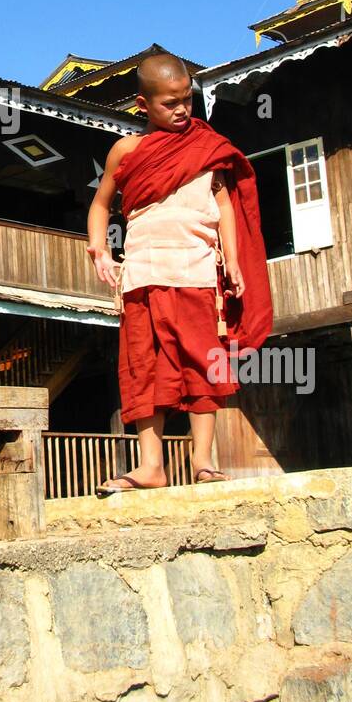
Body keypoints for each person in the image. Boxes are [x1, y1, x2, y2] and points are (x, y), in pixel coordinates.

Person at [86, 54, 272, 491]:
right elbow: (100, 205)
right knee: (144, 367)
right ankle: (151, 466)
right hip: (143, 274)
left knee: (202, 364)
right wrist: (100, 249)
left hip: (196, 272)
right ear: (142, 104)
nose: (182, 110)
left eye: (187, 99)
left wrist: (235, 259)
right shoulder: (128, 151)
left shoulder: (206, 147)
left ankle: (203, 461)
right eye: (170, 103)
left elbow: (225, 207)